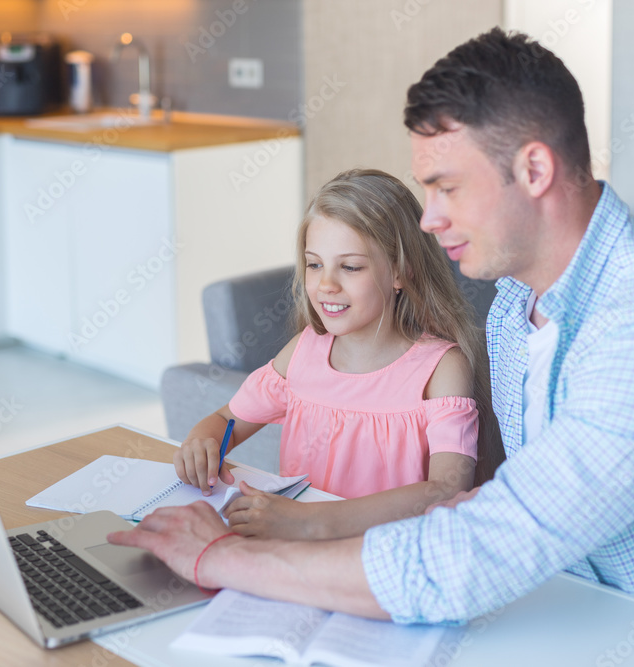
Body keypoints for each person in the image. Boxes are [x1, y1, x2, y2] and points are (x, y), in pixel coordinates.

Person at [111, 29, 634, 658]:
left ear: (533, 169)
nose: (427, 220)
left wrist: (224, 555)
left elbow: (486, 548)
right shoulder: (516, 305)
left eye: (446, 187)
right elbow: (499, 508)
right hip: (575, 613)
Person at [174, 168, 502, 540]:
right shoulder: (302, 352)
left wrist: (312, 521)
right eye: (315, 265)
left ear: (400, 271)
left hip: (388, 562)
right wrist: (203, 441)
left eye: (349, 267)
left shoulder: (441, 367)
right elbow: (226, 419)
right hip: (298, 552)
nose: (326, 284)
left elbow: (447, 489)